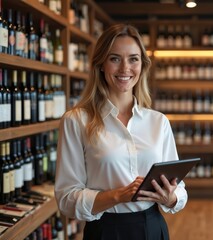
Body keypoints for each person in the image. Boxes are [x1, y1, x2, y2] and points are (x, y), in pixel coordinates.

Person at [54, 23, 188, 240]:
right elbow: (66, 199)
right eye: (115, 58)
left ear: (142, 66)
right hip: (105, 231)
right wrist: (117, 196)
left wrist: (170, 197)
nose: (125, 68)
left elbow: (179, 189)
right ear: (101, 65)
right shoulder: (76, 121)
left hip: (153, 227)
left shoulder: (158, 121)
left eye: (133, 59)